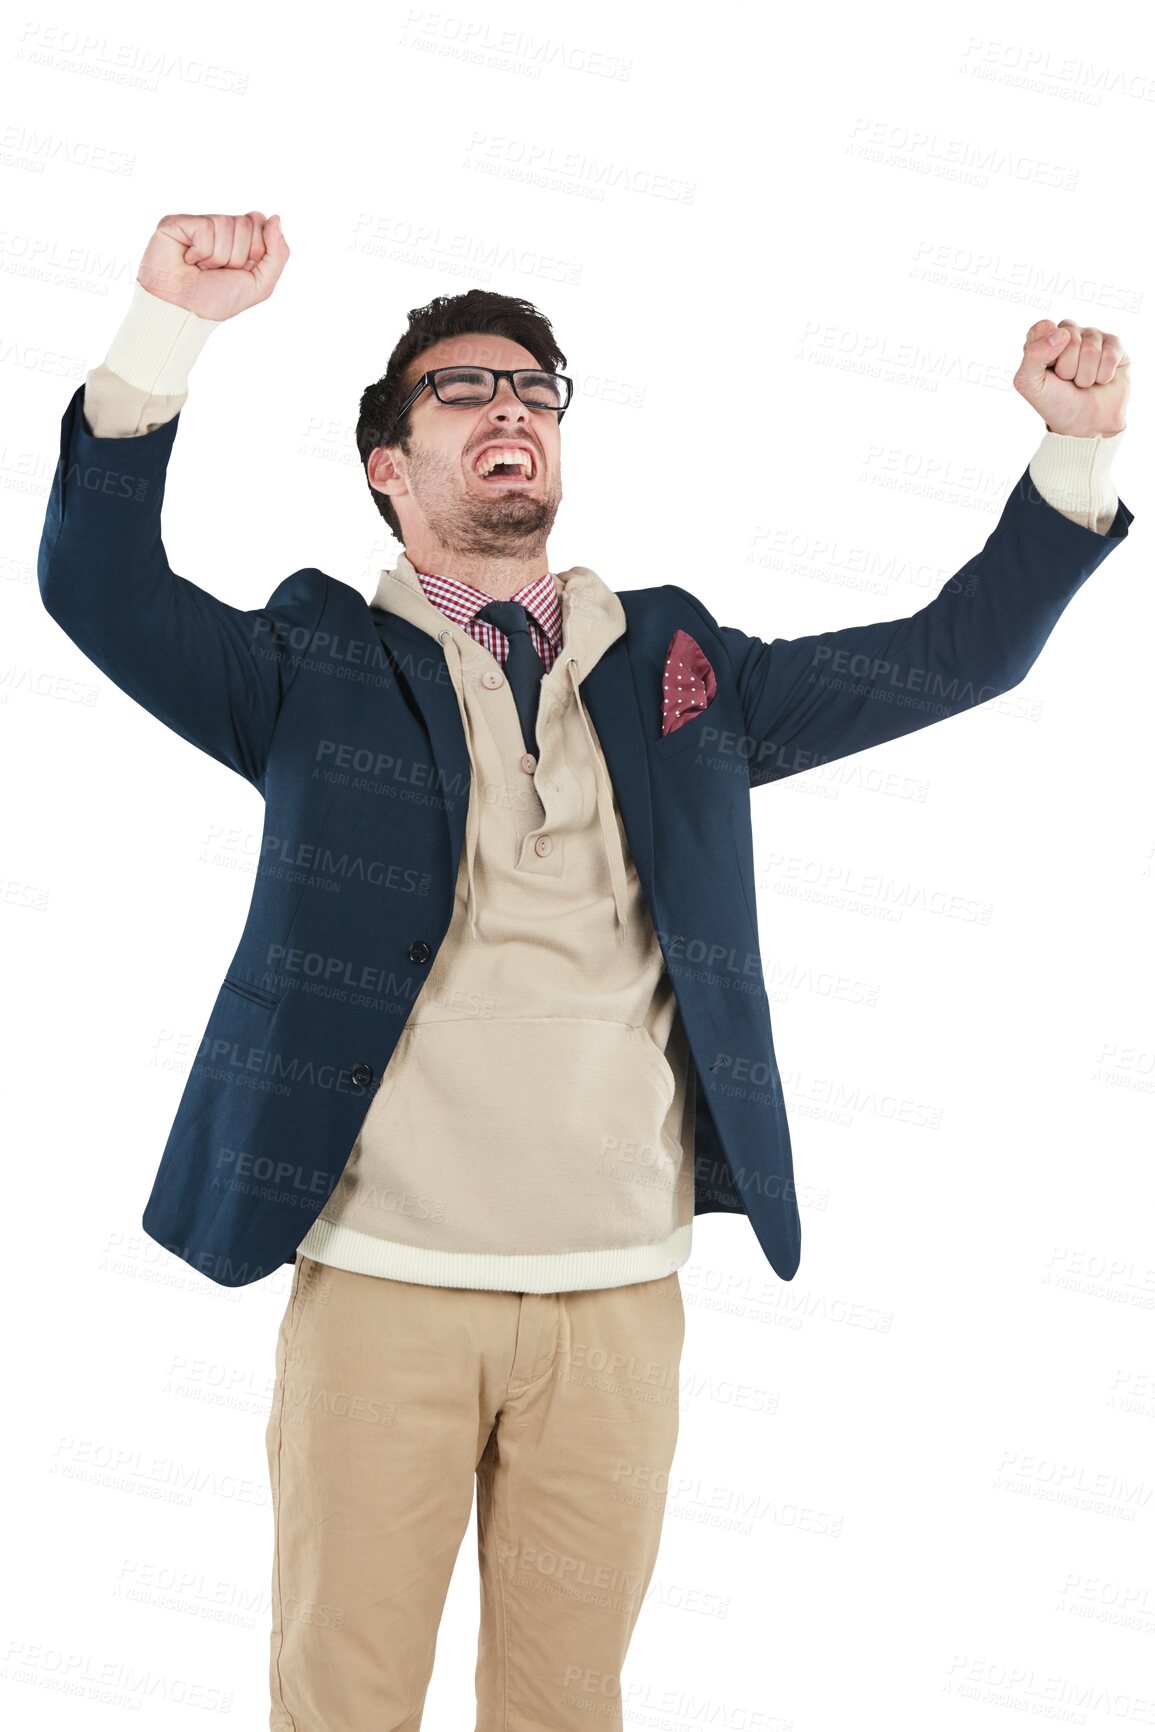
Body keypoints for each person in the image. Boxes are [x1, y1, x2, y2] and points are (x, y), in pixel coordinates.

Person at [37, 212, 1133, 1731]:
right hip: (380, 1285)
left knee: (568, 1707)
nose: (511, 410)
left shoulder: (683, 661)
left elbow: (954, 657)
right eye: (463, 390)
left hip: (617, 1294)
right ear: (388, 467)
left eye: (538, 391)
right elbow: (97, 587)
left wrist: (1072, 457)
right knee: (340, 1700)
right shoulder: (308, 661)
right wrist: (167, 333)